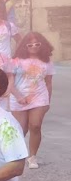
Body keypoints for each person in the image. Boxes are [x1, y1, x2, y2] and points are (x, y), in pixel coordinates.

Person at [10, 31, 55, 168]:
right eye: (30, 44)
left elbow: (48, 82)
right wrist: (18, 96)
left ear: (42, 45)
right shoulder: (16, 61)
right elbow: (9, 82)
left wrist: (47, 101)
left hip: (39, 97)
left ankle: (32, 157)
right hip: (19, 98)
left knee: (35, 125)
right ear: (24, 46)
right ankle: (15, 155)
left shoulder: (47, 62)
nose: (34, 46)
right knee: (21, 129)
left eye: (37, 44)